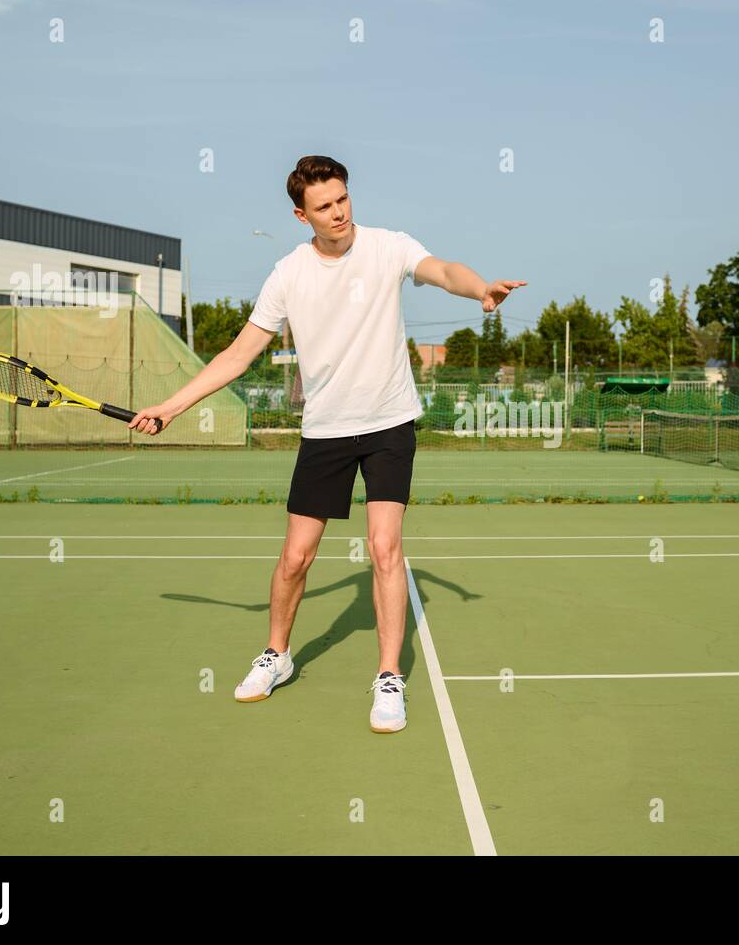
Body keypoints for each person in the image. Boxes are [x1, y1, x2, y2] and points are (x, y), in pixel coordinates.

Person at [129, 155, 526, 733]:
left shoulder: (387, 247)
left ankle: (388, 676)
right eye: (324, 206)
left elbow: (442, 270)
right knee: (296, 556)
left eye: (342, 199)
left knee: (385, 547)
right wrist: (170, 407)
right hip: (326, 431)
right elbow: (238, 355)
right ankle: (277, 655)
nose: (338, 212)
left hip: (390, 423)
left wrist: (479, 290)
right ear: (301, 214)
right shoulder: (288, 274)